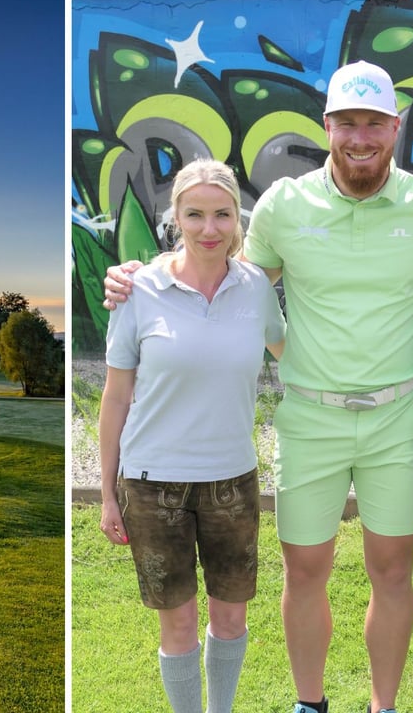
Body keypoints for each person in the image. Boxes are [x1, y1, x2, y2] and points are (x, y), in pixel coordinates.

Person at [102, 60, 413, 713]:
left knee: (392, 572)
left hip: (397, 418)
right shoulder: (287, 207)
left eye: (375, 123)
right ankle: (310, 704)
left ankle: (382, 706)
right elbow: (219, 269)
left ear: (395, 129)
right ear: (327, 127)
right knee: (305, 572)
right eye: (348, 123)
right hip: (310, 419)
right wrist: (140, 274)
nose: (361, 137)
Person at [98, 158, 286, 713]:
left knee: (230, 618)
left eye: (222, 214)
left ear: (237, 219)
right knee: (176, 624)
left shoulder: (255, 288)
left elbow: (291, 354)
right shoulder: (136, 290)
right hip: (153, 487)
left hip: (232, 482)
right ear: (174, 217)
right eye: (196, 214)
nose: (210, 229)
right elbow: (115, 397)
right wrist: (107, 494)